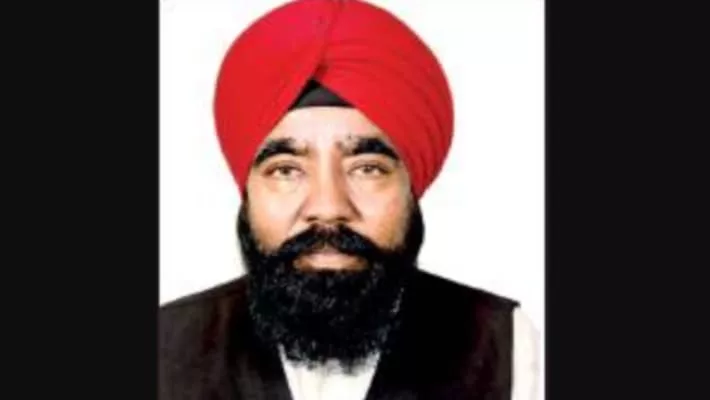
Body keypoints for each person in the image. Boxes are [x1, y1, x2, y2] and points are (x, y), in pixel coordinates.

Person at [159, 1, 539, 399]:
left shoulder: (508, 346)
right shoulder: (164, 348)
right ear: (248, 189)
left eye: (367, 168)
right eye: (286, 170)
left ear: (411, 187)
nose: (328, 207)